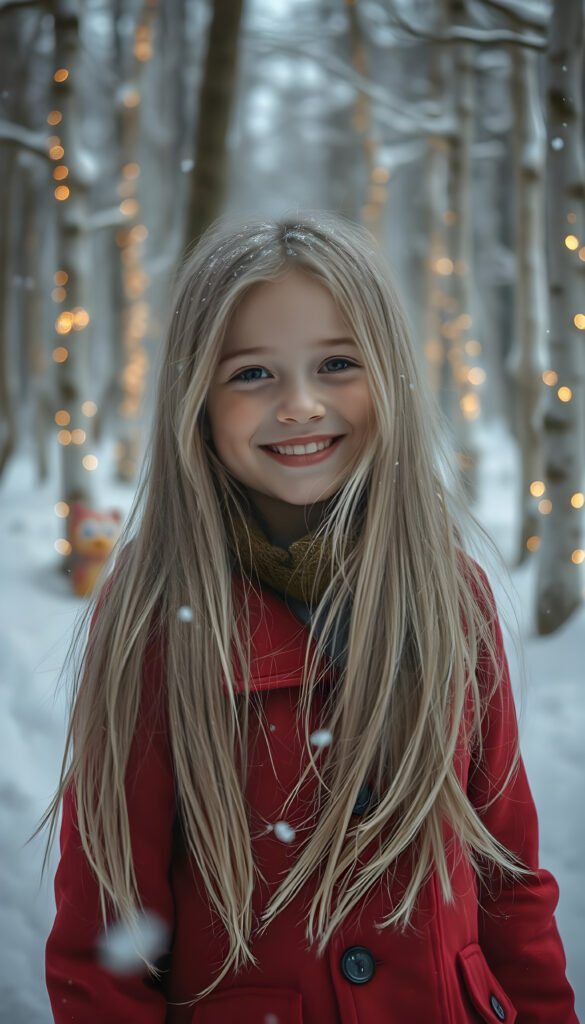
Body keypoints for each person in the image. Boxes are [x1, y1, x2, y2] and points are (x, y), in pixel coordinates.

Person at [42, 212, 578, 1023]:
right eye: (253, 373)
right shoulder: (157, 618)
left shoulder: (450, 598)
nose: (299, 405)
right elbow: (106, 948)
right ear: (197, 401)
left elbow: (508, 885)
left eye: (336, 364)